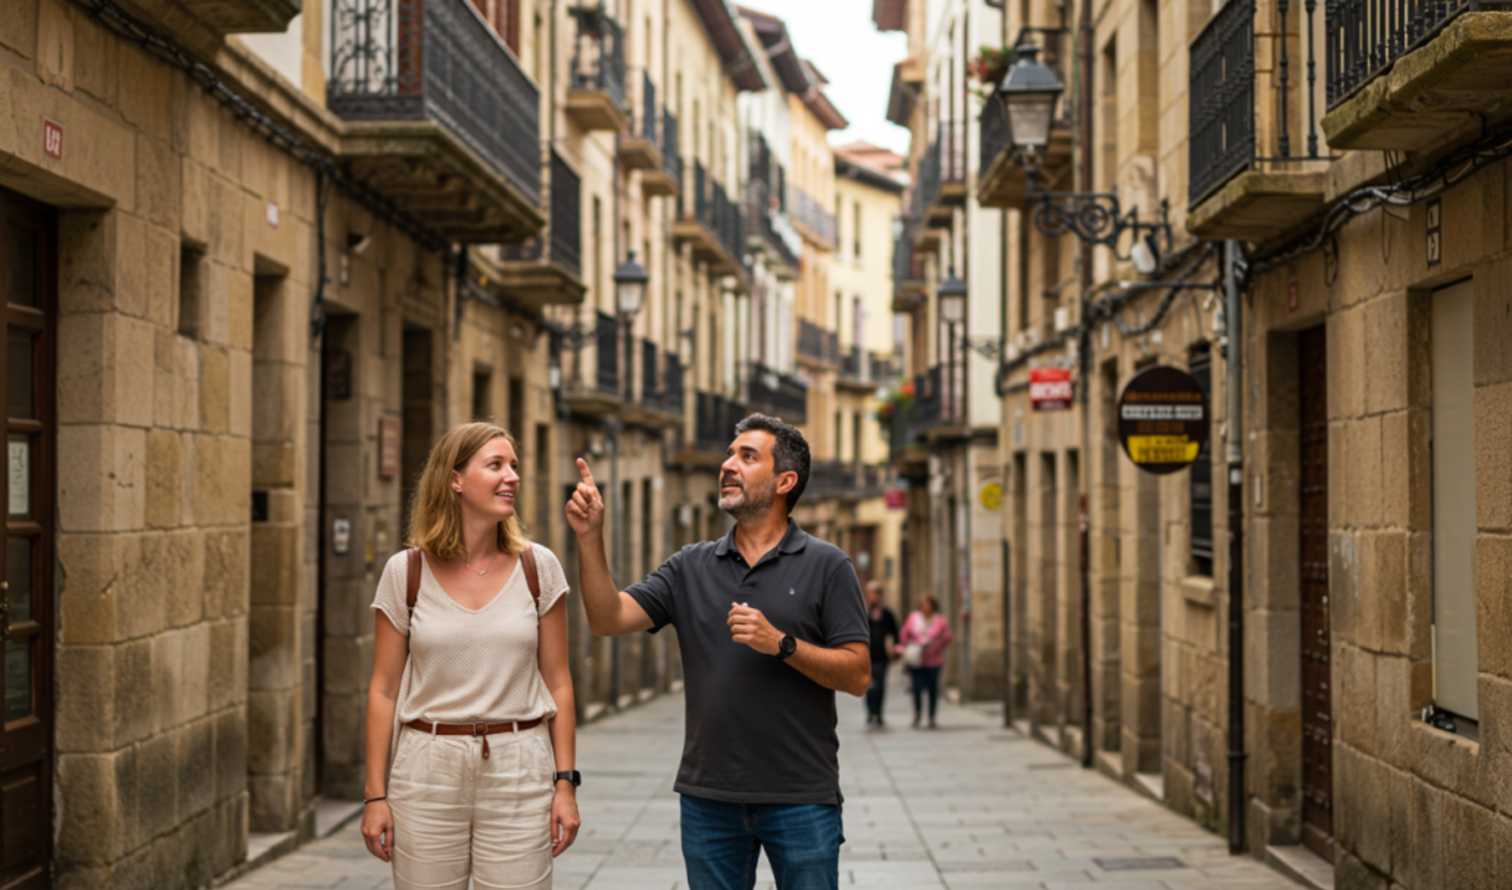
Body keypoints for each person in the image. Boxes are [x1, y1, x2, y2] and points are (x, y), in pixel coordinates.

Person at [565, 413, 871, 890]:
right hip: (709, 798)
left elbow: (857, 676)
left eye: (748, 457)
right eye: (730, 453)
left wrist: (782, 645)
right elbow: (608, 619)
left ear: (784, 480)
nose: (728, 464)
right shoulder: (690, 566)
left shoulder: (828, 566)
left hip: (802, 797)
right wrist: (589, 538)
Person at [361, 422, 581, 890]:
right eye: (496, 465)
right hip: (425, 767)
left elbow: (559, 681)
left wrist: (565, 783)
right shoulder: (406, 573)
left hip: (520, 764)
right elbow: (382, 689)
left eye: (514, 466)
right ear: (455, 480)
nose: (512, 477)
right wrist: (374, 794)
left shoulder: (538, 567)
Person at [897, 594, 952, 729]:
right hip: (917, 659)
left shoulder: (940, 620)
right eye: (922, 604)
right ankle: (917, 713)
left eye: (927, 604)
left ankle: (932, 716)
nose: (924, 607)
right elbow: (904, 634)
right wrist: (907, 646)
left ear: (933, 605)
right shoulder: (914, 618)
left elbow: (948, 637)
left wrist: (936, 646)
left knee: (932, 689)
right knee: (916, 688)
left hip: (934, 660)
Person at [863, 581, 900, 727]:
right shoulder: (866, 613)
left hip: (883, 655)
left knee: (880, 686)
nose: (872, 597)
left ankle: (878, 714)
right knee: (868, 685)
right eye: (870, 594)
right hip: (867, 656)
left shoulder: (887, 614)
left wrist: (896, 648)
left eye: (874, 594)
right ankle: (870, 712)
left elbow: (895, 632)